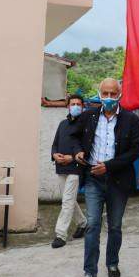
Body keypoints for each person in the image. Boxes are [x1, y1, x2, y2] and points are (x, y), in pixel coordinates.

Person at [73, 78, 139, 277]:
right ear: (99, 93)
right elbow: (74, 137)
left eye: (113, 93)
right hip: (94, 179)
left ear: (119, 94)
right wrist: (77, 151)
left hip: (118, 181)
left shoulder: (130, 119)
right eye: (105, 93)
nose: (109, 98)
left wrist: (110, 166)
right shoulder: (88, 116)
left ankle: (112, 263)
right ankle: (90, 271)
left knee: (114, 226)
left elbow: (136, 149)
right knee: (93, 224)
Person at [50, 94, 88, 249]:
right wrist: (54, 155)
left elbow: (86, 149)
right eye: (73, 104)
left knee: (66, 201)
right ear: (68, 106)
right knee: (69, 200)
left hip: (76, 168)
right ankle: (83, 223)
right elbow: (55, 144)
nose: (76, 106)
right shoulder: (62, 124)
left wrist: (71, 158)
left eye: (79, 104)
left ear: (83, 107)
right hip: (61, 167)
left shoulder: (85, 126)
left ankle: (60, 234)